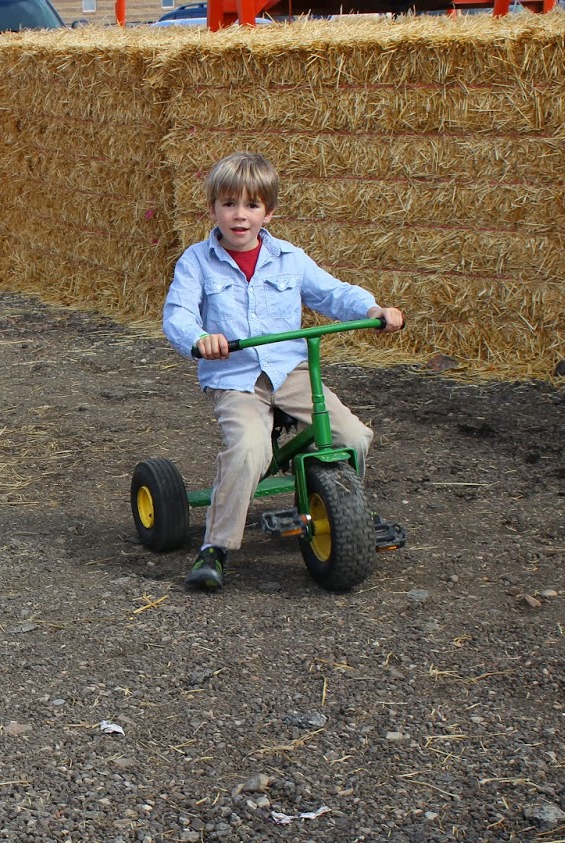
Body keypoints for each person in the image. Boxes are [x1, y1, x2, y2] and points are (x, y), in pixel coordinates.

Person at [162, 151, 404, 592]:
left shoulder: (289, 258)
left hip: (291, 372)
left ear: (268, 212)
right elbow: (178, 313)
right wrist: (200, 338)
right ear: (212, 209)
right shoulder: (196, 262)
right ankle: (215, 546)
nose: (240, 215)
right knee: (250, 451)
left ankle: (341, 505)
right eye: (229, 204)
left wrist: (372, 309)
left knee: (352, 437)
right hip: (237, 379)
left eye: (251, 205)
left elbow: (332, 293)